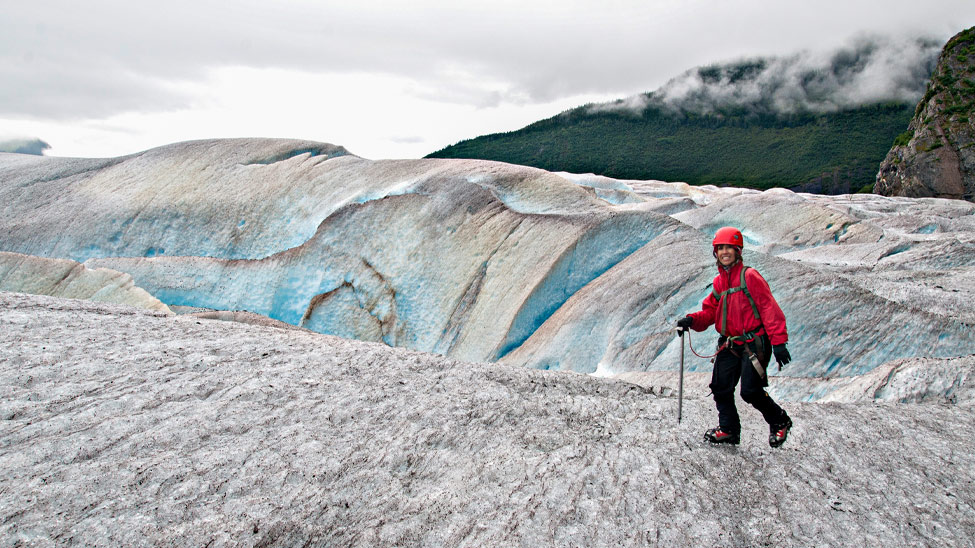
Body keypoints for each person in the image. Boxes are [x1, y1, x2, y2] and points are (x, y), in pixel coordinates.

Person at [676, 227, 793, 447]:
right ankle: (729, 429)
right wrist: (692, 320)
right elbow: (711, 312)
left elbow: (768, 308)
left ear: (738, 251)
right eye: (720, 248)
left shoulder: (750, 276)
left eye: (729, 247)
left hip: (754, 343)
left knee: (750, 391)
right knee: (720, 387)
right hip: (730, 343)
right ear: (716, 253)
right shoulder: (720, 282)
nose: (724, 252)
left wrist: (778, 342)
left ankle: (780, 421)